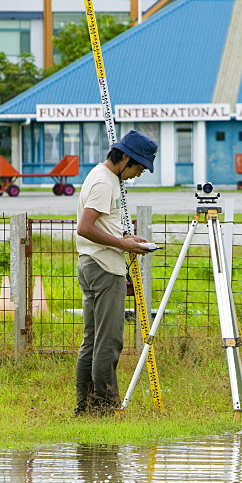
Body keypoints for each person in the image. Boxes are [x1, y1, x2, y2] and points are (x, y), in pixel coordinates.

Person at [74, 129, 158, 416]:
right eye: (138, 167)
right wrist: (122, 244)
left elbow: (101, 226)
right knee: (108, 342)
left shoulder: (100, 176)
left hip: (91, 263)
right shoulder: (104, 182)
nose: (138, 174)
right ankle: (105, 407)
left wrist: (128, 241)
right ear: (124, 158)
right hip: (104, 268)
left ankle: (84, 407)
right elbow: (85, 227)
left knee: (93, 340)